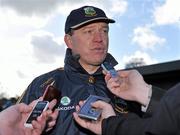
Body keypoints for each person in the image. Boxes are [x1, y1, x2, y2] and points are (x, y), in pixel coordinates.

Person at [19, 5, 165, 135]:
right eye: (89, 31)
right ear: (69, 41)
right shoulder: (42, 86)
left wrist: (146, 94)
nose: (99, 39)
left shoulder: (129, 85)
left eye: (104, 30)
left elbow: (167, 124)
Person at [73, 83, 180, 135]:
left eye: (106, 36)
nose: (99, 39)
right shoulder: (56, 79)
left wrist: (110, 125)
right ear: (69, 41)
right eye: (88, 36)